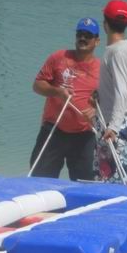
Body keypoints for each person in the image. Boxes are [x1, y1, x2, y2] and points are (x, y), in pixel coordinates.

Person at [29, 18, 101, 181]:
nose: (82, 38)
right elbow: (37, 86)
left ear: (97, 41)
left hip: (84, 135)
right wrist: (57, 92)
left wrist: (96, 110)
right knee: (39, 181)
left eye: (88, 35)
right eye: (79, 34)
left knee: (85, 185)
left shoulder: (101, 68)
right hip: (54, 130)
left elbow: (109, 100)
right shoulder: (58, 57)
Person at [93, 0, 127, 184]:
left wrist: (113, 126)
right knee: (106, 177)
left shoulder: (117, 52)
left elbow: (122, 92)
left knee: (116, 180)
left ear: (105, 24)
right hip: (113, 120)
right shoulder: (126, 48)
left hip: (114, 123)